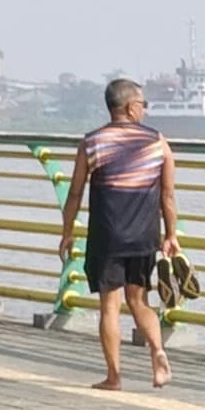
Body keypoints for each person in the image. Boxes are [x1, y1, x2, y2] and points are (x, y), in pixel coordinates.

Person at [60, 77, 177, 389]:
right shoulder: (157, 142)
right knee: (139, 300)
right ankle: (158, 352)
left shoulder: (91, 143)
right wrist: (171, 236)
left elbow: (74, 193)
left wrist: (67, 232)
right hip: (144, 236)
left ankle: (114, 377)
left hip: (107, 237)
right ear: (131, 107)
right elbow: (167, 195)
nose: (145, 110)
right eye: (143, 105)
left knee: (110, 306)